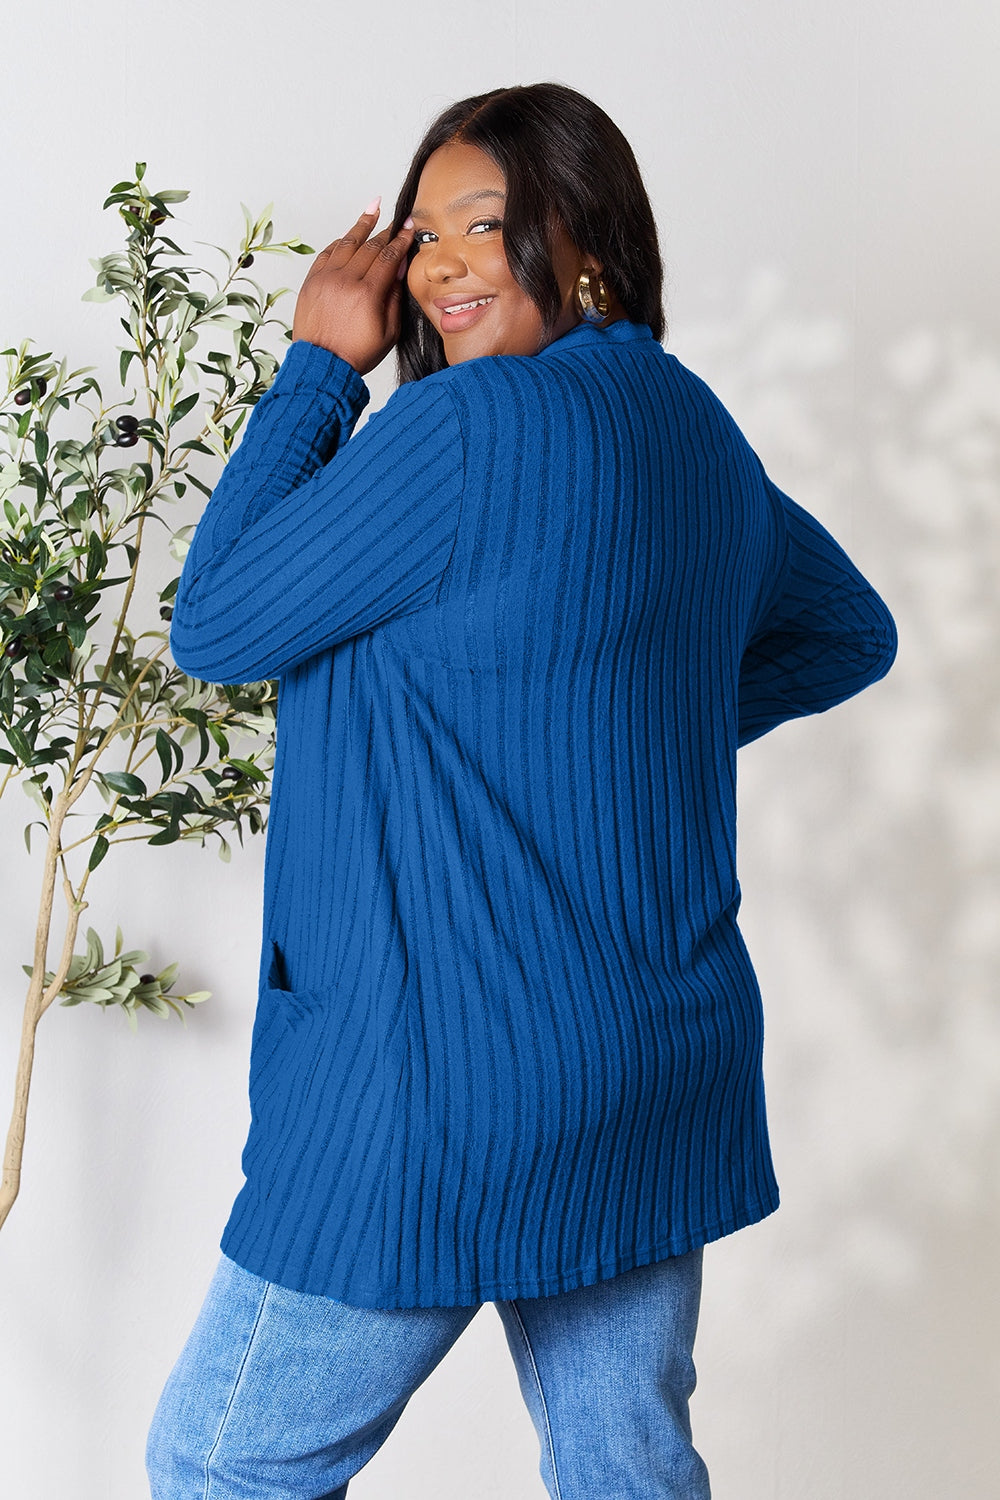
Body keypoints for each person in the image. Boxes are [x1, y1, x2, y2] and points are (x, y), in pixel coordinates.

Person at [146, 82, 897, 1498]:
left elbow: (218, 620)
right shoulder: (692, 432)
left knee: (217, 1465)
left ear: (588, 242)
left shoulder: (463, 433)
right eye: (422, 233)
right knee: (622, 1466)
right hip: (642, 1068)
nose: (437, 266)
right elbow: (847, 628)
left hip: (437, 1085)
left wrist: (318, 365)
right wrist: (619, 722)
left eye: (483, 225)